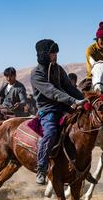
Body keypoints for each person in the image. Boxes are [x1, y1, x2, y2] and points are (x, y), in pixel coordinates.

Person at [31, 39, 85, 185]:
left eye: (56, 52)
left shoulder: (58, 69)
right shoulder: (36, 74)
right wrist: (72, 101)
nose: (55, 55)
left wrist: (84, 99)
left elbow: (70, 87)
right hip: (48, 110)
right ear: (44, 55)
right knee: (50, 133)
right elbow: (52, 92)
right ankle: (41, 168)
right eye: (52, 53)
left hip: (64, 106)